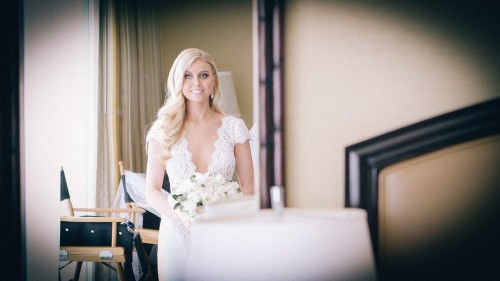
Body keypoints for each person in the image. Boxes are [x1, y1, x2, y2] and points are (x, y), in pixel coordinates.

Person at [145, 48, 254, 280]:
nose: (197, 82)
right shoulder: (163, 129)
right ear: (178, 81)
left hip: (224, 231)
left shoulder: (234, 127)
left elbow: (249, 188)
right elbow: (152, 191)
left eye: (204, 75)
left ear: (214, 79)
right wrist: (182, 215)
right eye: (188, 75)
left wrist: (231, 220)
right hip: (177, 231)